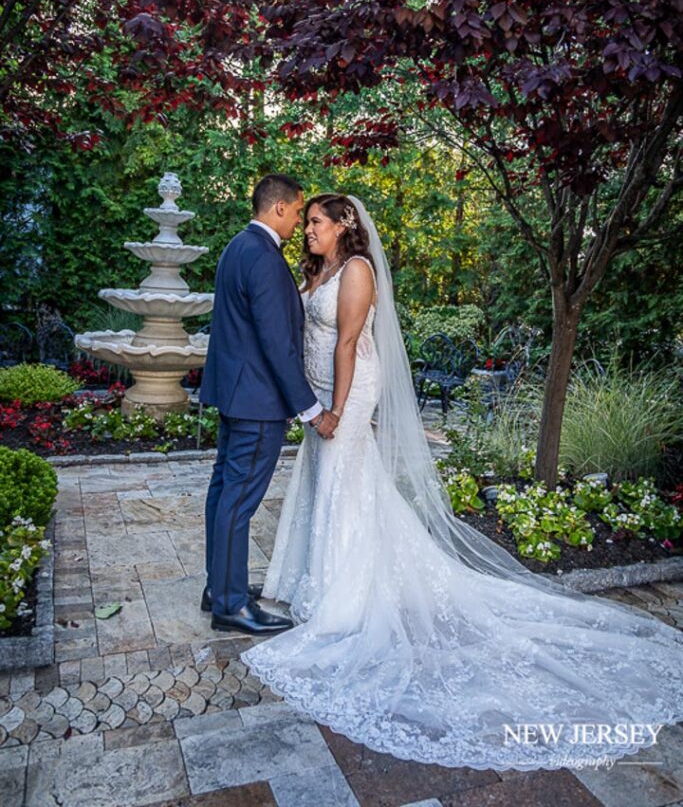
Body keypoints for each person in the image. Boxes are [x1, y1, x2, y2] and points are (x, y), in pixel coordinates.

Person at [242, 192, 683, 772]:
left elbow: (348, 342)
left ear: (344, 224)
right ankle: (318, 577)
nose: (308, 232)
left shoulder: (356, 270)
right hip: (319, 392)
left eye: (316, 223)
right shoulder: (319, 268)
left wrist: (339, 408)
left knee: (343, 482)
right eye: (308, 224)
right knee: (329, 483)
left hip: (346, 392)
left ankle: (343, 597)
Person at [200, 174, 339, 636]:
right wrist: (311, 409)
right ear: (279, 208)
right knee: (237, 501)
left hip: (235, 395)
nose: (300, 220)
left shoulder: (237, 248)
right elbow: (277, 344)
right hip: (258, 402)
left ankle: (219, 588)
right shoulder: (262, 256)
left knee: (224, 493)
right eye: (299, 211)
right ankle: (232, 606)